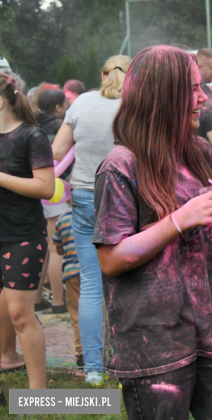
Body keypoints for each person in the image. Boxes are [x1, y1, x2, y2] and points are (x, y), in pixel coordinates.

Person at [93, 45, 212, 418]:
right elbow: (111, 259)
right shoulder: (121, 164)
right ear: (161, 94)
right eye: (192, 89)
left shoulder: (200, 150)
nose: (203, 98)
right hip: (154, 343)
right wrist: (178, 219)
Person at [51, 54, 130, 384]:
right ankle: (126, 360)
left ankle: (94, 370)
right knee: (127, 284)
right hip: (124, 196)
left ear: (102, 75)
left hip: (83, 194)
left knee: (90, 287)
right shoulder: (135, 106)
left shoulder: (82, 102)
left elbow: (56, 150)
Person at [0, 72, 55, 390]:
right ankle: (6, 357)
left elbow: (46, 187)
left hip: (23, 234)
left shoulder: (31, 136)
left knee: (21, 314)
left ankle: (39, 395)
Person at [34, 88, 70, 314]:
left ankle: (37, 298)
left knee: (43, 248)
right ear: (57, 107)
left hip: (34, 188)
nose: (67, 108)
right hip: (55, 190)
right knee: (56, 249)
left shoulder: (30, 123)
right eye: (65, 104)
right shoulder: (60, 128)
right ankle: (58, 301)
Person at [52, 208, 83, 367]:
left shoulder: (62, 219)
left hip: (71, 273)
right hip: (92, 272)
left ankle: (81, 352)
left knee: (76, 313)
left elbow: (58, 248)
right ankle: (99, 350)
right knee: (98, 310)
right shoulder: (94, 213)